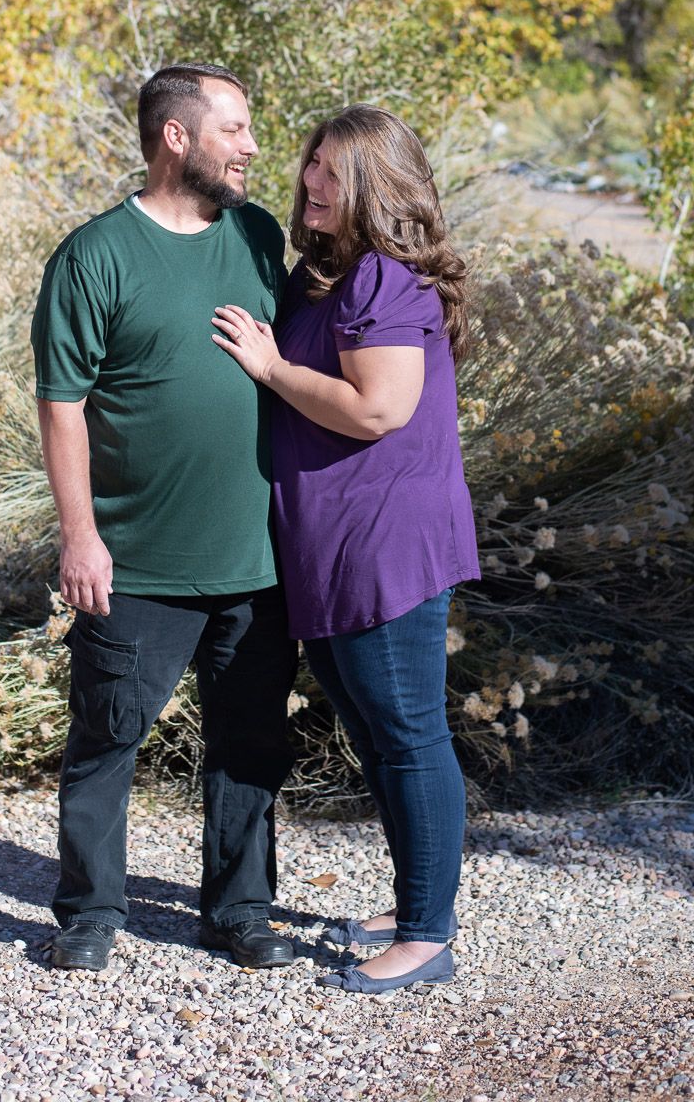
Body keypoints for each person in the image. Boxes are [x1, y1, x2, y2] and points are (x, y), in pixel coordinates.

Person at [31, 63, 297, 974]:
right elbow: (61, 404)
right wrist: (80, 536)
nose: (253, 146)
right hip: (135, 561)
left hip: (259, 559)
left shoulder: (261, 239)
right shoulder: (94, 255)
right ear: (176, 137)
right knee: (108, 739)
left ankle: (238, 911)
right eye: (235, 129)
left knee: (251, 742)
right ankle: (90, 911)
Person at [212, 105, 479, 996]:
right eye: (309, 166)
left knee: (406, 734)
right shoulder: (323, 276)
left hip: (384, 542)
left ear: (374, 182)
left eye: (330, 170)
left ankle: (426, 935)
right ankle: (416, 901)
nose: (309, 182)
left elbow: (376, 410)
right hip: (329, 542)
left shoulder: (385, 280)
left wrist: (269, 368)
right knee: (373, 730)